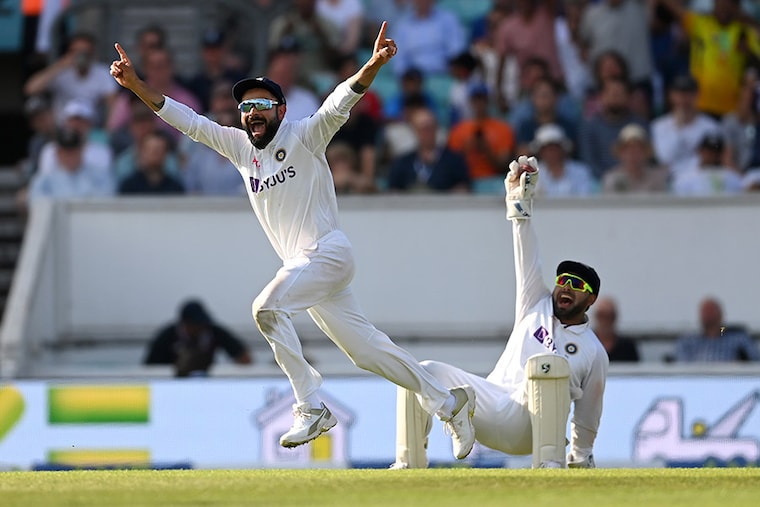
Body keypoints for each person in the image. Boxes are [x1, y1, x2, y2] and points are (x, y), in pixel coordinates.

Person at [110, 22, 477, 456]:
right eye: (245, 107)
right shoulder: (239, 149)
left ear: (280, 110)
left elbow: (339, 104)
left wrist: (373, 65)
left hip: (327, 251)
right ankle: (450, 401)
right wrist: (135, 85)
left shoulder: (304, 135)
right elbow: (188, 121)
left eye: (262, 104)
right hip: (305, 267)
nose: (252, 112)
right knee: (367, 351)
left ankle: (310, 406)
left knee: (265, 308)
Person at [392, 156, 608, 469]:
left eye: (576, 285)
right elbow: (525, 251)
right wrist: (518, 198)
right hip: (491, 406)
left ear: (591, 300)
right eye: (562, 280)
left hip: (532, 427)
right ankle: (409, 461)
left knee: (548, 366)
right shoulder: (536, 301)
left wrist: (582, 455)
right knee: (422, 370)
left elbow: (589, 411)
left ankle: (551, 464)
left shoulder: (593, 351)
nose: (565, 287)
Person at [23, 31, 118, 126]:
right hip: (61, 129)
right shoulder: (61, 71)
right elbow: (31, 89)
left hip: (90, 131)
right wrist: (59, 65)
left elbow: (113, 104)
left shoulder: (102, 72)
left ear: (93, 53)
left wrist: (108, 132)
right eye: (76, 51)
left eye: (85, 52)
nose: (81, 56)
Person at [144, 299, 253, 377]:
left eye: (201, 323)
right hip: (171, 384)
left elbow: (244, 356)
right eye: (195, 324)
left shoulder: (212, 331)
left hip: (206, 382)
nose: (200, 328)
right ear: (185, 324)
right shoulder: (167, 337)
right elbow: (150, 369)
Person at [447, 83, 514, 194]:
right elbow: (450, 165)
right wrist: (466, 149)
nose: (479, 104)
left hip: (494, 180)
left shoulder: (503, 129)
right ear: (470, 102)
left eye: (482, 99)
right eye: (476, 100)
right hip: (467, 181)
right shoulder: (458, 130)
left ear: (488, 101)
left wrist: (487, 150)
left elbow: (504, 165)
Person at [651, 75, 721, 179]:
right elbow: (664, 157)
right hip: (669, 180)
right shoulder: (658, 126)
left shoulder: (711, 127)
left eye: (688, 94)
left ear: (697, 95)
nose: (683, 99)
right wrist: (678, 128)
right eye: (679, 94)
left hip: (700, 181)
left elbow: (712, 159)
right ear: (671, 96)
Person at [387, 107, 470, 193]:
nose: (427, 133)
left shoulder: (454, 160)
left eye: (430, 128)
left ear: (436, 128)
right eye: (422, 129)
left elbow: (463, 188)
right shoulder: (402, 162)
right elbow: (393, 191)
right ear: (415, 131)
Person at [674, 297, 759, 362]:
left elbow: (755, 361)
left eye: (711, 312)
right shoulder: (688, 342)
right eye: (706, 313)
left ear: (720, 314)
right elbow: (678, 365)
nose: (709, 316)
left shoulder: (738, 339)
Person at [530, 124, 595, 197]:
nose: (551, 153)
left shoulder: (581, 171)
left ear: (562, 149)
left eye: (555, 148)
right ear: (540, 152)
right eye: (547, 149)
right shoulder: (533, 175)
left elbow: (585, 200)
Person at [602, 123, 670, 193]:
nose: (633, 154)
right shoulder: (611, 179)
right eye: (628, 149)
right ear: (621, 153)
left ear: (645, 153)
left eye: (638, 149)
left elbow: (661, 202)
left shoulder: (657, 178)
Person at [592, 297, 640, 362]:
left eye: (609, 316)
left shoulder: (627, 347)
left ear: (615, 317)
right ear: (596, 317)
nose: (605, 320)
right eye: (601, 315)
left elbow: (636, 370)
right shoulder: (586, 344)